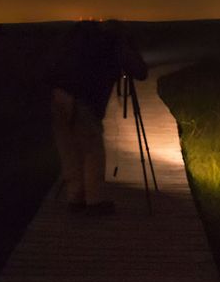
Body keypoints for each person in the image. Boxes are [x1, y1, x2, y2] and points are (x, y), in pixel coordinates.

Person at [47, 20, 148, 215]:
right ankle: (94, 201)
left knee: (69, 149)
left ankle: (75, 198)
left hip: (57, 94)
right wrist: (130, 44)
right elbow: (140, 72)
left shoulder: (78, 31)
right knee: (92, 150)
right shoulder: (114, 39)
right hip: (84, 99)